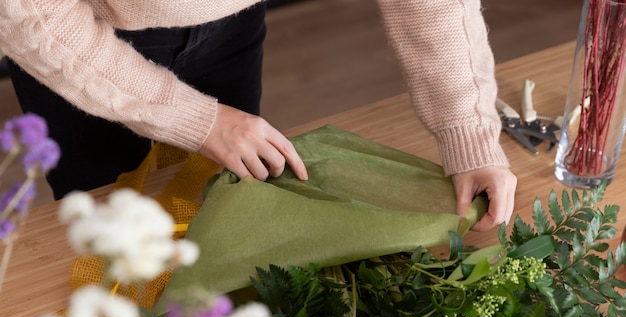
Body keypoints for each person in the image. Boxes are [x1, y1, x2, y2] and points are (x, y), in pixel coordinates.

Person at [0, 0, 516, 232]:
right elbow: (28, 12)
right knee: (107, 241)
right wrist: (195, 119)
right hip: (77, 41)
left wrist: (467, 126)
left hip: (231, 25)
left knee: (222, 216)